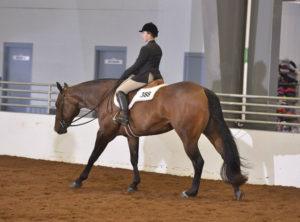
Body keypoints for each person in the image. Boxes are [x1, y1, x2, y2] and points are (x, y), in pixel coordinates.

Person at [115, 22, 163, 125]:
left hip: (145, 76)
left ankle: (124, 116)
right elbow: (147, 64)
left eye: (143, 33)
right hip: (156, 76)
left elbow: (137, 65)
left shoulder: (146, 48)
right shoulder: (158, 48)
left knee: (120, 90)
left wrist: (125, 74)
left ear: (149, 33)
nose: (142, 35)